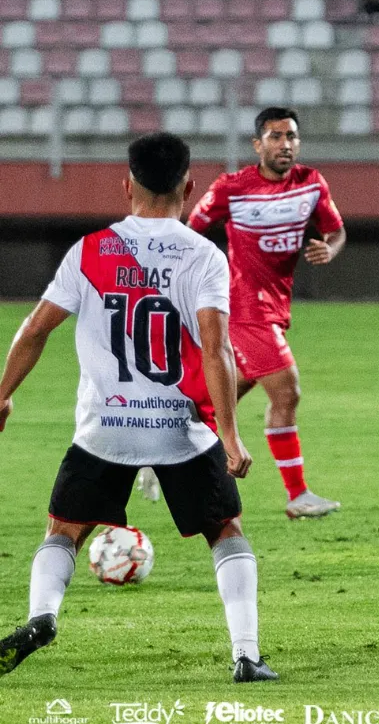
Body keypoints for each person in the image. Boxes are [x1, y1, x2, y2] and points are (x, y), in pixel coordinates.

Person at [0, 132, 277, 682]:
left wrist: (3, 392)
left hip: (105, 427)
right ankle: (246, 654)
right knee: (226, 530)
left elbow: (35, 329)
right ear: (190, 187)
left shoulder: (90, 250)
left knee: (63, 529)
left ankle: (42, 617)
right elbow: (217, 348)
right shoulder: (204, 256)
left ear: (126, 185)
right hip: (180, 430)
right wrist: (229, 434)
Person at [187, 107, 345, 519]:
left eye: (291, 136)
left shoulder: (311, 184)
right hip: (243, 307)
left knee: (225, 393)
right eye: (275, 137)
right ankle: (297, 495)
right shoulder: (232, 187)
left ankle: (174, 440)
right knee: (287, 391)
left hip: (276, 306)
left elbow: (336, 230)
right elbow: (189, 232)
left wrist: (329, 249)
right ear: (258, 145)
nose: (285, 144)